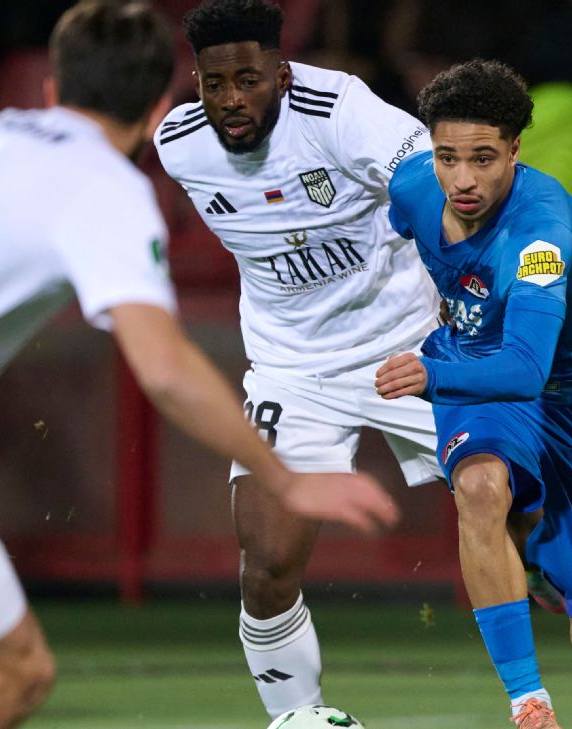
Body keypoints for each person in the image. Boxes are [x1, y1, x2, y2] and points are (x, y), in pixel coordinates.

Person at [0, 2, 399, 727]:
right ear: (163, 104)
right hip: (310, 367)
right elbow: (163, 368)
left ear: (52, 89)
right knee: (9, 675)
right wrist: (284, 477)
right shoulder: (103, 187)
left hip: (390, 347)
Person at [154, 0, 442, 718]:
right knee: (266, 567)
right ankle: (299, 717)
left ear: (282, 73)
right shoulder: (177, 143)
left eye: (247, 80)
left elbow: (430, 178)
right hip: (293, 369)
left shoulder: (338, 109)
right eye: (214, 84)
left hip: (410, 346)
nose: (230, 99)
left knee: (524, 524)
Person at [375, 60, 572, 729]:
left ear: (515, 149)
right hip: (476, 375)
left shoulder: (542, 230)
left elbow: (527, 369)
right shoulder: (412, 186)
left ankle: (543, 556)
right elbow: (385, 238)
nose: (463, 179)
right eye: (448, 157)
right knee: (479, 486)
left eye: (483, 159)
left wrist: (430, 375)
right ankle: (529, 700)